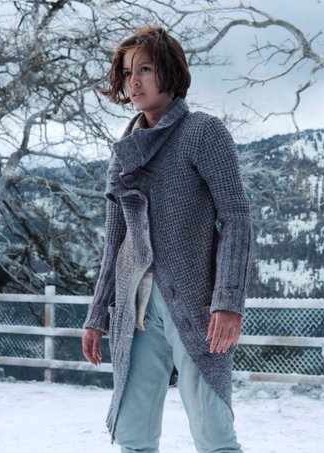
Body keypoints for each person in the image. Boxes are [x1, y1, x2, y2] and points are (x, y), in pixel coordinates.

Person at [82, 26, 253, 453]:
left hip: (195, 304)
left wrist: (228, 301)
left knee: (213, 433)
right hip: (135, 308)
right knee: (134, 434)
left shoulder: (202, 132)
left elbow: (236, 218)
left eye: (145, 69)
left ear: (170, 73)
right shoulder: (124, 150)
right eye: (126, 73)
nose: (133, 82)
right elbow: (115, 241)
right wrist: (97, 313)